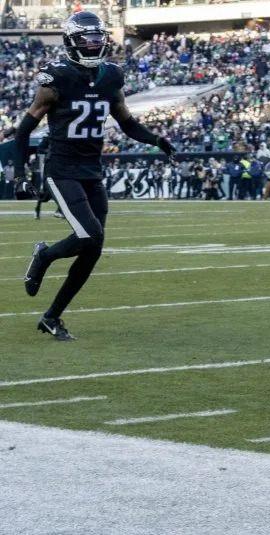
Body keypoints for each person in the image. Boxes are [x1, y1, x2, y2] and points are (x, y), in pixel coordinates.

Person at [13, 11, 175, 340]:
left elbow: (127, 122)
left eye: (98, 38)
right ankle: (43, 255)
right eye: (87, 39)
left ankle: (52, 317)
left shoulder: (111, 76)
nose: (93, 44)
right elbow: (25, 127)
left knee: (94, 246)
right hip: (61, 169)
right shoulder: (55, 79)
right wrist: (19, 173)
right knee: (88, 234)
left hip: (91, 170)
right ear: (73, 42)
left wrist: (155, 140)